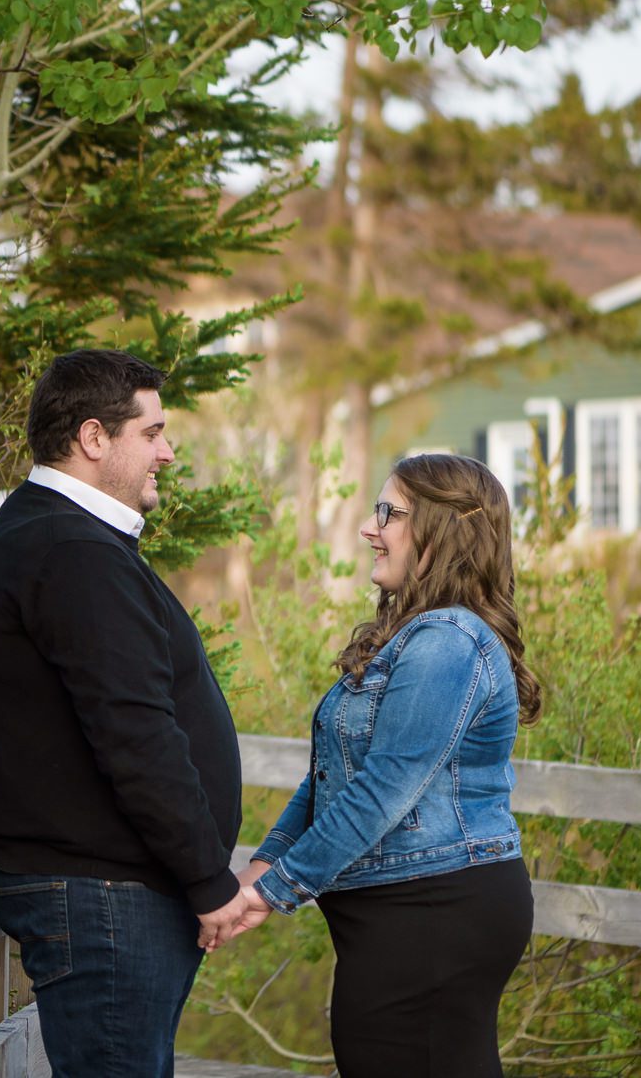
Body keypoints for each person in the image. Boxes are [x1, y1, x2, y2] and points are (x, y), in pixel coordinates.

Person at [0, 349, 247, 1078]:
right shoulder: (69, 547)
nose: (167, 451)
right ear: (94, 438)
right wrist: (208, 877)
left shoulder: (68, 537)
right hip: (102, 901)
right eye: (151, 432)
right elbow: (134, 731)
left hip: (109, 895)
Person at [228, 453, 539, 1078]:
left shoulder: (449, 640)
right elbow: (328, 779)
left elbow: (383, 789)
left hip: (435, 913)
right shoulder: (417, 634)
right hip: (408, 912)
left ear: (443, 530)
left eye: (388, 513)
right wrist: (264, 865)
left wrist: (277, 889)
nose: (370, 529)